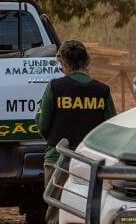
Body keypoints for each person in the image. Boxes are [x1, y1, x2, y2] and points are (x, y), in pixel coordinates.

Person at [36, 40, 117, 224]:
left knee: (56, 209)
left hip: (58, 159)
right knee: (91, 210)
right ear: (86, 61)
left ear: (63, 63)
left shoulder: (55, 87)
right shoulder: (102, 91)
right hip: (91, 163)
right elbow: (110, 128)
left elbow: (42, 125)